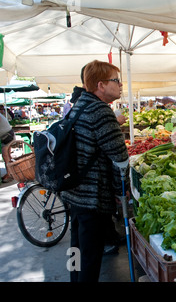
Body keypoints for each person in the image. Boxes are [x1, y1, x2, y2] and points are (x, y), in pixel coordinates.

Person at [61, 60, 130, 282]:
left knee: (77, 248)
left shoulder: (80, 104)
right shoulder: (100, 111)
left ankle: (74, 279)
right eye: (116, 80)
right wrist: (123, 191)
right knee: (91, 254)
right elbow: (120, 157)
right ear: (101, 85)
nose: (120, 85)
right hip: (92, 195)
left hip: (75, 192)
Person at [0, 113, 15, 183]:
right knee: (6, 156)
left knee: (6, 156)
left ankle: (10, 174)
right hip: (6, 136)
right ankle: (11, 173)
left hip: (7, 136)